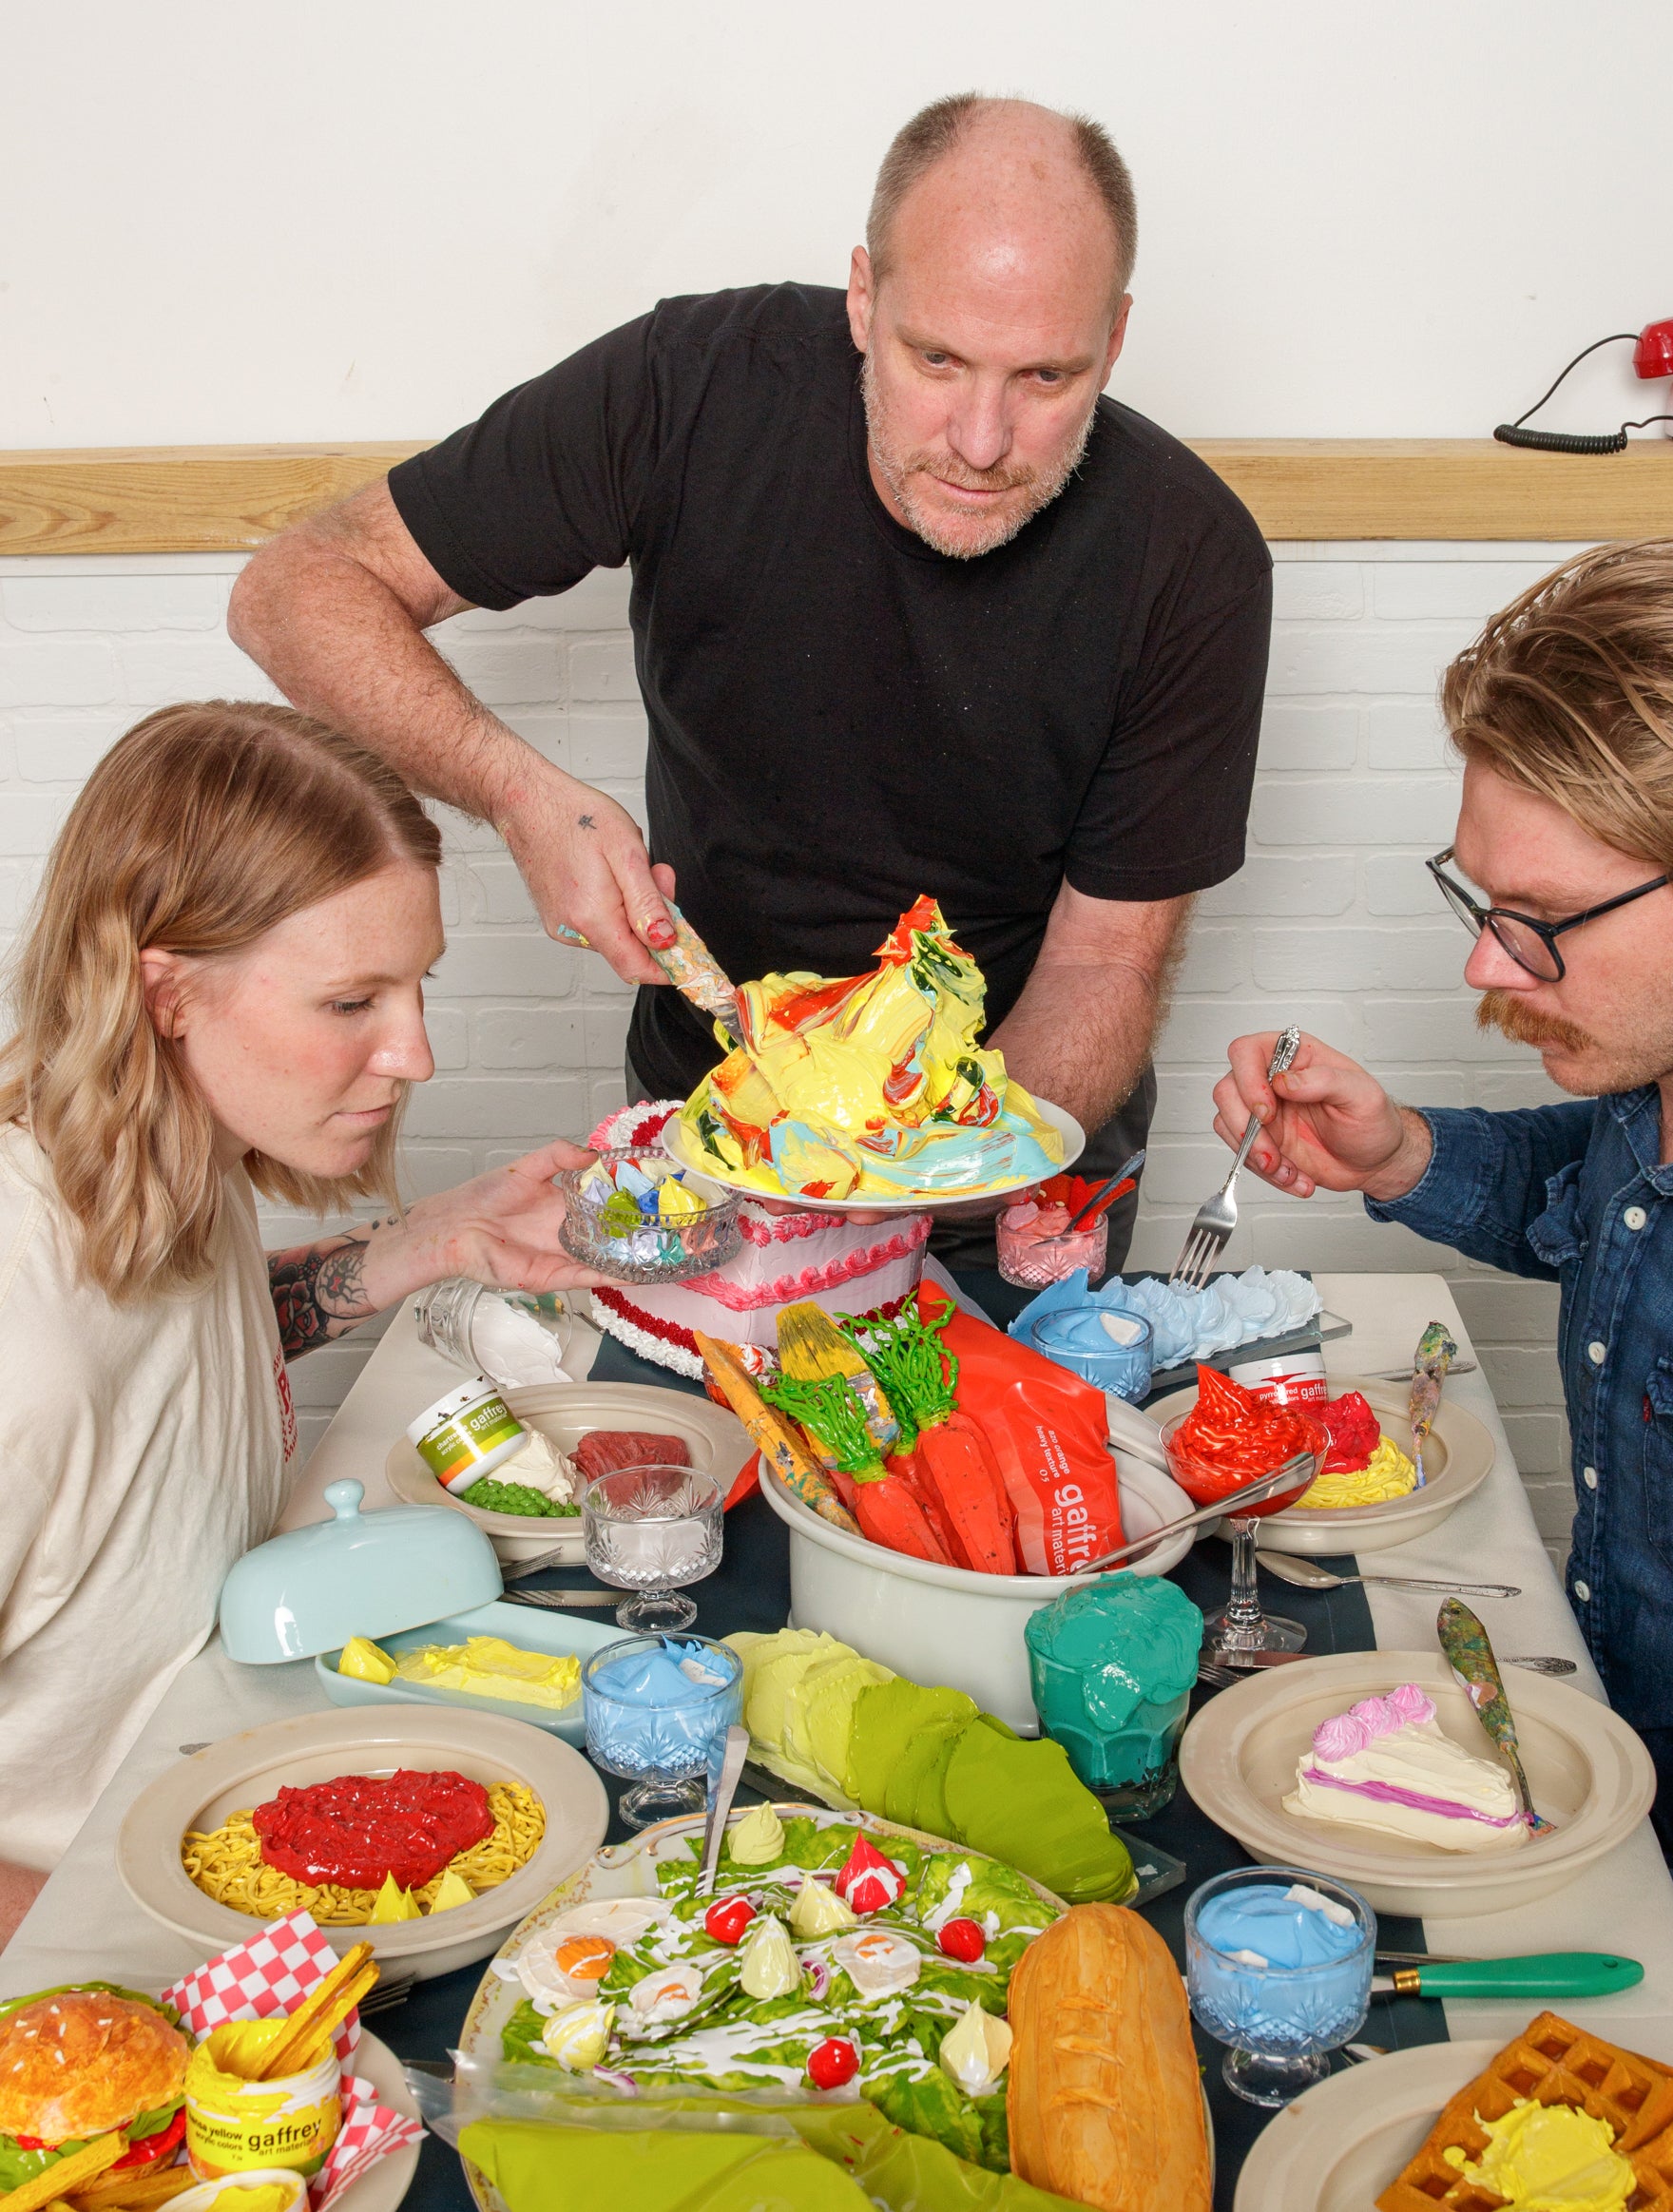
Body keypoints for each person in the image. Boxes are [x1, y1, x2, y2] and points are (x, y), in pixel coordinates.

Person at [224, 92, 1272, 1268]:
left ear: (1114, 340)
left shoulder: (1190, 557)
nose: (980, 441)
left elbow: (1101, 961)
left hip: (1002, 1150)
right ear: (863, 297)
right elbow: (295, 588)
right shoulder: (691, 387)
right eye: (935, 358)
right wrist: (518, 793)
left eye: (1044, 377)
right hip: (706, 1127)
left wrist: (912, 1172)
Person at [1214, 542, 1673, 2190]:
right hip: (1632, 1812)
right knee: (1239, 1917)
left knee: (1304, 2085)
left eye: (1537, 925)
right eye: (1476, 902)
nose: (1483, 968)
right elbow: (1600, 1208)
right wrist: (1403, 1152)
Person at [0, 702, 596, 1948]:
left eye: (418, 984)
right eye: (351, 1000)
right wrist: (107, 1937)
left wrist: (435, 1241)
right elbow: (64, 1391)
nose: (416, 1051)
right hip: (108, 1930)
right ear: (167, 990)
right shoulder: (19, 1323)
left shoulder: (159, 1146)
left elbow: (162, 1386)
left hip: (222, 1778)